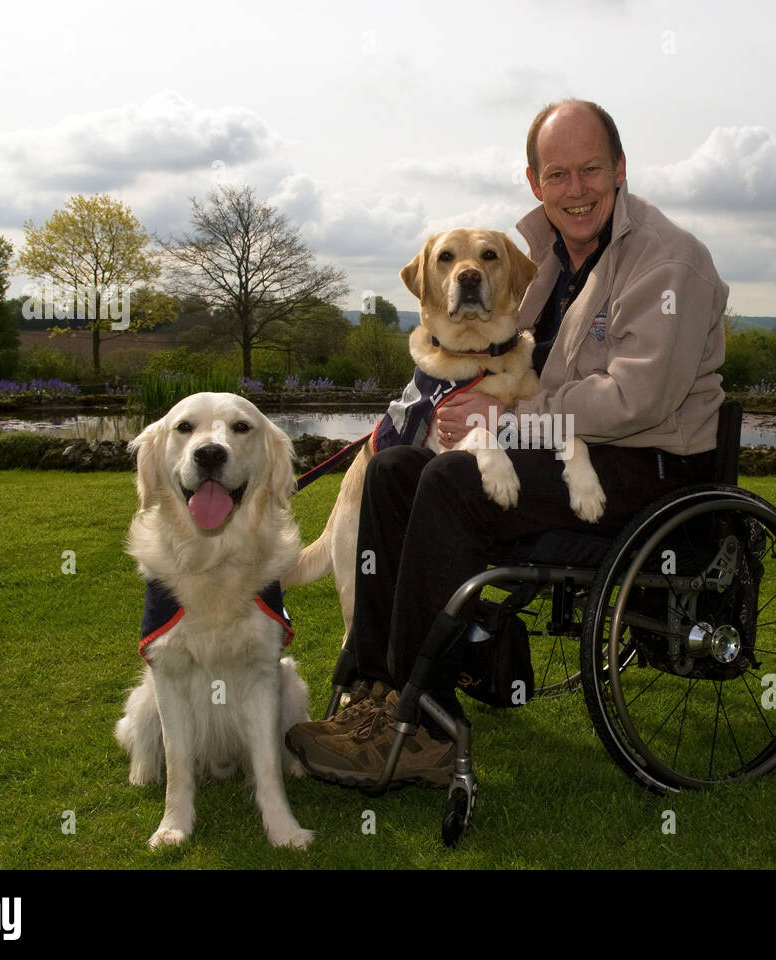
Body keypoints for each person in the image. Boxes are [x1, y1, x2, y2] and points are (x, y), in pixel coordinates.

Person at [286, 99, 729, 788]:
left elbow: (639, 398)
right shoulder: (542, 262)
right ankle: (371, 689)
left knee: (449, 484)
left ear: (619, 170)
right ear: (535, 183)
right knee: (395, 469)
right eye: (558, 174)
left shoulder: (671, 262)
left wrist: (508, 415)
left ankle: (422, 726)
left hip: (652, 467)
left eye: (590, 170)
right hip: (560, 449)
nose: (575, 189)